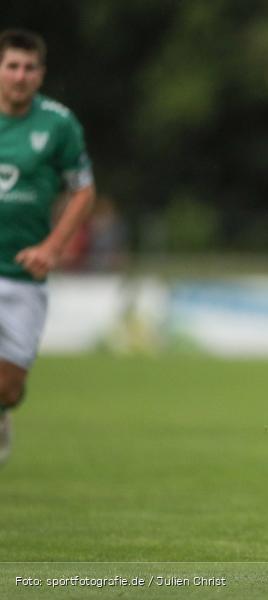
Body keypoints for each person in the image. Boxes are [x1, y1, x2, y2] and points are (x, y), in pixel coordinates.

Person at [0, 29, 95, 465]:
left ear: (40, 74)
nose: (20, 75)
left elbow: (83, 191)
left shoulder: (57, 123)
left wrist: (53, 248)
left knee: (9, 388)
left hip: (24, 272)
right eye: (12, 66)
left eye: (29, 67)